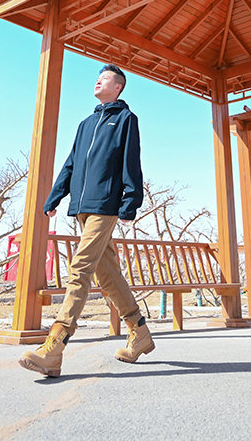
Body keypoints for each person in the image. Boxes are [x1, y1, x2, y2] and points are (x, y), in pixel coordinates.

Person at [19, 63, 152, 378]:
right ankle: (140, 332)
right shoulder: (85, 124)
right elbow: (71, 163)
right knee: (107, 275)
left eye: (104, 78)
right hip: (81, 205)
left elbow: (131, 161)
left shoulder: (125, 120)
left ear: (118, 87)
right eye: (97, 77)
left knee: (80, 267)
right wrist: (55, 196)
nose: (98, 81)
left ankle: (55, 345)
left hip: (106, 205)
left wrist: (130, 202)